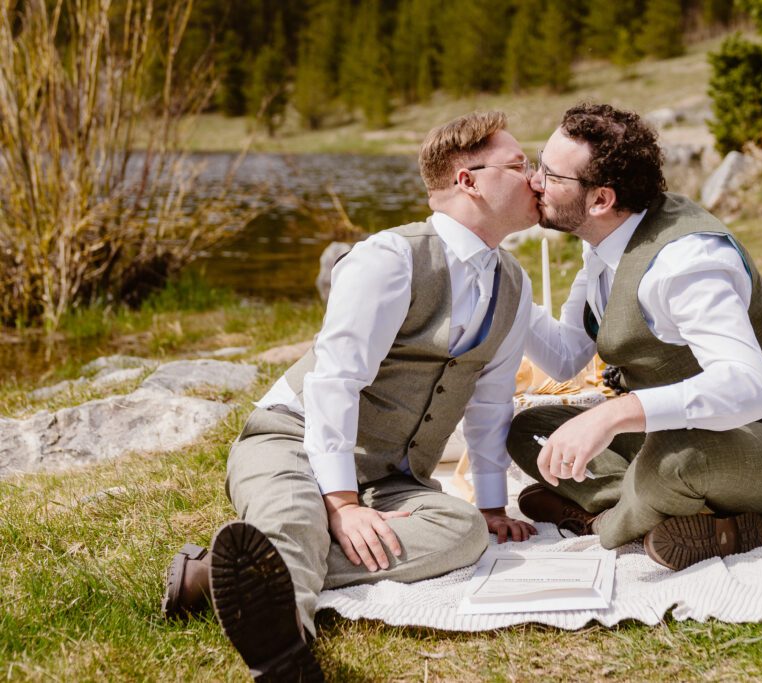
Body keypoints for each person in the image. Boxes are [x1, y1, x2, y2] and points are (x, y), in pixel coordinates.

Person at [161, 111, 539, 681]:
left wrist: (489, 505)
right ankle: (286, 652)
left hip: (391, 477)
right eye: (519, 165)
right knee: (295, 515)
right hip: (291, 439)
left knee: (460, 533)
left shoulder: (513, 281)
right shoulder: (389, 259)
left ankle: (217, 573)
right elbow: (335, 383)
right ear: (469, 180)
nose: (536, 178)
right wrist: (339, 504)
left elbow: (489, 404)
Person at [507, 103, 762, 572]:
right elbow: (566, 357)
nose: (535, 180)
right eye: (539, 161)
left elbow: (749, 388)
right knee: (532, 430)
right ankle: (679, 514)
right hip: (697, 432)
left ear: (601, 199)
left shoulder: (684, 264)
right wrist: (503, 282)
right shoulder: (603, 243)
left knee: (670, 461)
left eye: (551, 173)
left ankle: (606, 523)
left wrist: (616, 415)